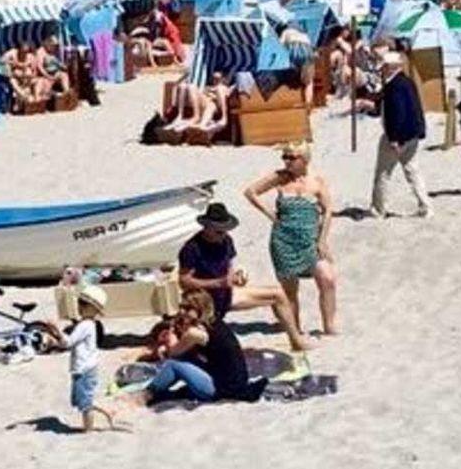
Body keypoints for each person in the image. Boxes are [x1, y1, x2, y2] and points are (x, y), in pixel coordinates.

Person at [177, 202, 309, 350]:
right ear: (207, 227)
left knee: (278, 293)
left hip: (226, 295)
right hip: (205, 301)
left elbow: (229, 266)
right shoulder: (191, 248)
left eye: (225, 231)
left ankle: (295, 339)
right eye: (219, 232)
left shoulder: (226, 241)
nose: (223, 235)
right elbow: (184, 281)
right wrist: (218, 283)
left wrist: (237, 277)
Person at [243, 142, 339, 341]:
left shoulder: (316, 181)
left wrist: (322, 240)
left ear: (304, 160)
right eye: (284, 157)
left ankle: (329, 326)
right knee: (290, 290)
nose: (286, 161)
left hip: (310, 240)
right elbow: (250, 192)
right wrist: (270, 213)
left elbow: (328, 210)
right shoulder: (279, 177)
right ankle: (295, 328)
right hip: (283, 240)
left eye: (291, 157)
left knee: (327, 278)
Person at [138, 290, 254, 404]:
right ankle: (154, 389)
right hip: (233, 381)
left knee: (173, 365)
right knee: (184, 359)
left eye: (188, 308)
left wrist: (171, 334)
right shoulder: (212, 323)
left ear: (200, 309)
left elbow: (174, 353)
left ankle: (145, 396)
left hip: (222, 389)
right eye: (181, 307)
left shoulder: (194, 333)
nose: (182, 311)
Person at [363, 51, 430, 217]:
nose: (381, 70)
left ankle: (378, 209)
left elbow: (397, 113)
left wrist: (394, 138)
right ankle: (426, 206)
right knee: (413, 171)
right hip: (412, 134)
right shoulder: (406, 81)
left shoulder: (395, 86)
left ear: (390, 67)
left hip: (398, 135)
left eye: (384, 67)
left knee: (383, 173)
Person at [62, 283, 123, 432]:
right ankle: (106, 411)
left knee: (84, 403)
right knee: (80, 400)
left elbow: (68, 342)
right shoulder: (90, 324)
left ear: (93, 309)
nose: (80, 306)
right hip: (87, 368)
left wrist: (55, 332)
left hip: (84, 369)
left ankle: (88, 430)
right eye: (80, 302)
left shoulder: (85, 325)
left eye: (84, 304)